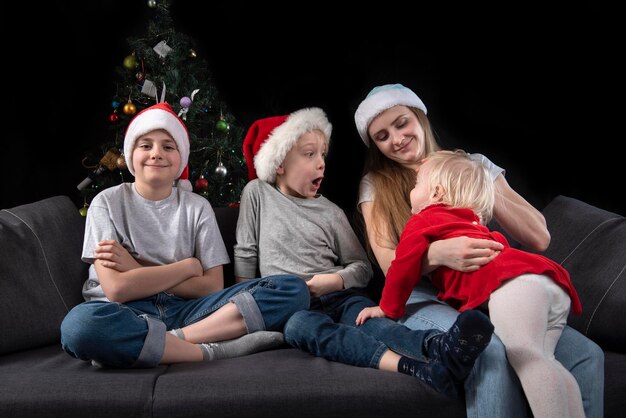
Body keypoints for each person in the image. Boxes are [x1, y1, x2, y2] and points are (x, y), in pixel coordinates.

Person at [354, 83, 604, 417]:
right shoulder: (376, 184)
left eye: (401, 123)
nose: (396, 139)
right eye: (382, 136)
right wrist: (442, 254)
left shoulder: (470, 166)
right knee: (489, 348)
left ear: (419, 118)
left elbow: (539, 236)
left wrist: (476, 179)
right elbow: (389, 264)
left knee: (588, 355)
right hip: (422, 295)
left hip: (484, 290)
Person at [235, 107, 494, 398]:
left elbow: (362, 267)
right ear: (279, 162)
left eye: (323, 155)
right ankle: (415, 368)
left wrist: (333, 282)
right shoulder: (256, 193)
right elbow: (246, 252)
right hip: (295, 305)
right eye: (310, 154)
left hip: (342, 296)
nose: (321, 164)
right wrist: (248, 304)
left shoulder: (330, 212)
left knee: (374, 324)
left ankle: (436, 346)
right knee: (298, 328)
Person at [60, 102, 310, 368]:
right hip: (127, 312)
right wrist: (188, 267)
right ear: (131, 154)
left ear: (181, 158)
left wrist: (135, 267)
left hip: (188, 312)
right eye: (146, 145)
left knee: (292, 289)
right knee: (80, 326)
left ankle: (166, 342)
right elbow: (118, 289)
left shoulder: (196, 207)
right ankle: (210, 351)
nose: (156, 154)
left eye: (168, 146)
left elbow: (211, 287)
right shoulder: (106, 203)